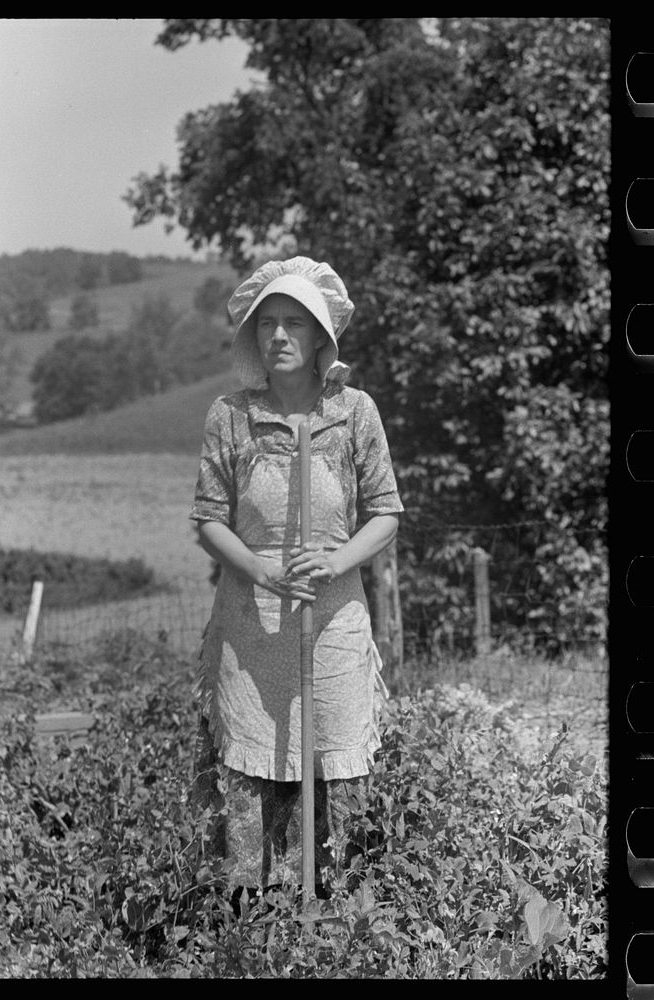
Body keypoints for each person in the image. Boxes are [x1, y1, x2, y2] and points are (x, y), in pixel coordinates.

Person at [189, 256, 404, 896]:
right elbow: (208, 519)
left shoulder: (354, 413)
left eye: (294, 324)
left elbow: (386, 512)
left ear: (319, 338)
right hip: (250, 624)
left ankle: (345, 925)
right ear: (253, 337)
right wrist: (261, 568)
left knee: (338, 762)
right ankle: (253, 926)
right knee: (254, 768)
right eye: (267, 324)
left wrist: (335, 560)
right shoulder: (230, 416)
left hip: (333, 620)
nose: (278, 336)